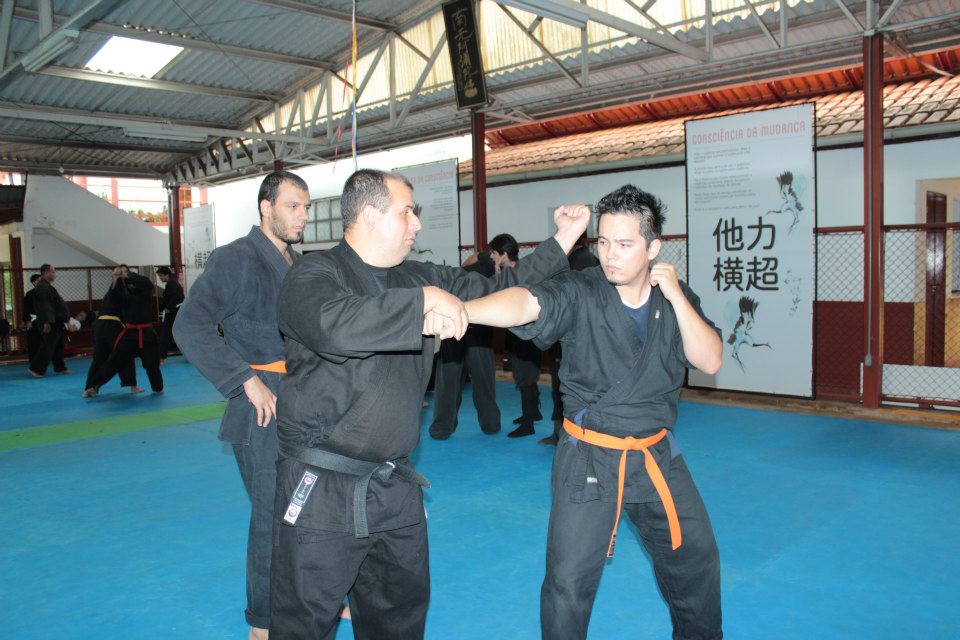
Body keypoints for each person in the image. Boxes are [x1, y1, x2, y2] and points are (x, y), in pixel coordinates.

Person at [269, 168, 589, 639]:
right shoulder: (314, 275)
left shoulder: (418, 275)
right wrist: (423, 303)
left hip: (395, 485)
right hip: (321, 487)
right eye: (406, 212)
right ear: (370, 214)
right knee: (303, 624)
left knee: (399, 618)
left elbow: (497, 289)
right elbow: (334, 326)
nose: (416, 223)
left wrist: (562, 239)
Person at [463, 184, 723, 640]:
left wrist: (678, 297)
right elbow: (526, 303)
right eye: (603, 241)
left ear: (653, 248)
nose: (610, 255)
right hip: (589, 457)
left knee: (697, 561)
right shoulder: (581, 288)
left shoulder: (675, 298)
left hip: (655, 455)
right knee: (568, 583)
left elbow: (710, 360)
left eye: (624, 244)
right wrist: (464, 311)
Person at [173, 170, 310, 640]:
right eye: (293, 206)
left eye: (306, 207)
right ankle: (263, 621)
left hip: (305, 399)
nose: (302, 216)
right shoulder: (236, 258)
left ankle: (319, 596)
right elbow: (188, 325)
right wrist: (243, 379)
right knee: (273, 515)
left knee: (309, 508)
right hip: (262, 407)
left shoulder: (299, 264)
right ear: (266, 207)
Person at [428, 232, 518, 440]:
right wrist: (473, 265)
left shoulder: (509, 274)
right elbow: (473, 258)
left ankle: (490, 424)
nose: (492, 256)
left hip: (478, 329)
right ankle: (442, 427)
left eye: (494, 253)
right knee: (449, 379)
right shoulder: (488, 260)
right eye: (492, 253)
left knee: (482, 380)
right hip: (456, 323)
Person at [541, 233, 600, 445]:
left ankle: (569, 435)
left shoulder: (581, 261)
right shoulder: (579, 259)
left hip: (576, 339)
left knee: (567, 387)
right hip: (575, 337)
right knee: (563, 387)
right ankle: (561, 433)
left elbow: (572, 305)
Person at [83, 269, 163, 395]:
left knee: (152, 364)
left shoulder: (145, 292)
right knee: (114, 361)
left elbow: (147, 284)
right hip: (129, 335)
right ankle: (93, 386)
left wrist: (128, 276)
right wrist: (116, 279)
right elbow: (112, 295)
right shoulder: (124, 295)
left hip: (147, 334)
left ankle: (158, 388)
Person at [28, 264, 71, 377]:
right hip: (50, 321)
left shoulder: (47, 286)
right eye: (53, 272)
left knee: (58, 345)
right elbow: (44, 306)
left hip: (56, 321)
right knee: (48, 345)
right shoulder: (42, 287)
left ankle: (60, 367)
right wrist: (47, 322)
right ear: (46, 273)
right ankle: (36, 369)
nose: (55, 274)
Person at [156, 266, 184, 363]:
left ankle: (161, 357)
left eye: (161, 276)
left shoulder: (171, 284)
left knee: (166, 335)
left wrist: (169, 308)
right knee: (176, 334)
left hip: (173, 312)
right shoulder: (173, 283)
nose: (160, 278)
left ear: (167, 275)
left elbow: (177, 297)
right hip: (175, 312)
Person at [21, 273, 41, 361]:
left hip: (45, 319)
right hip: (33, 320)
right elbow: (26, 309)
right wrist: (28, 321)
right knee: (33, 340)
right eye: (39, 281)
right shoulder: (29, 294)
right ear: (33, 282)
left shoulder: (48, 292)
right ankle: (33, 359)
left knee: (45, 340)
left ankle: (45, 358)